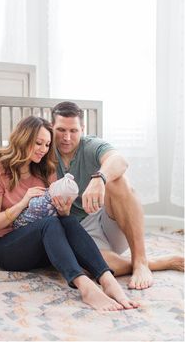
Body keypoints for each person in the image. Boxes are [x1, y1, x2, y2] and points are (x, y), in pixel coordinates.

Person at [0, 116, 139, 311]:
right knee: (50, 223)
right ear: (23, 139)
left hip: (43, 248)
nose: (43, 149)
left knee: (67, 221)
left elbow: (55, 216)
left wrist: (63, 211)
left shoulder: (45, 170)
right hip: (7, 249)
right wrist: (23, 203)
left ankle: (107, 280)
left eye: (47, 144)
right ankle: (85, 286)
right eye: (38, 143)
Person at [51, 101, 184, 290]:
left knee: (118, 180)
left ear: (82, 129)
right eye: (61, 130)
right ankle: (156, 262)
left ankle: (140, 260)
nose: (66, 137)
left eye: (73, 131)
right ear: (51, 128)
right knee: (91, 269)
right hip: (81, 232)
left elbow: (119, 160)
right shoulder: (44, 150)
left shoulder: (90, 145)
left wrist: (100, 178)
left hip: (108, 219)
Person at [13, 173, 79, 229]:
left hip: (22, 224)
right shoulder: (54, 207)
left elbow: (32, 204)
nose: (53, 182)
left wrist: (64, 213)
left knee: (70, 220)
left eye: (55, 183)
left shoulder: (43, 202)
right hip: (21, 230)